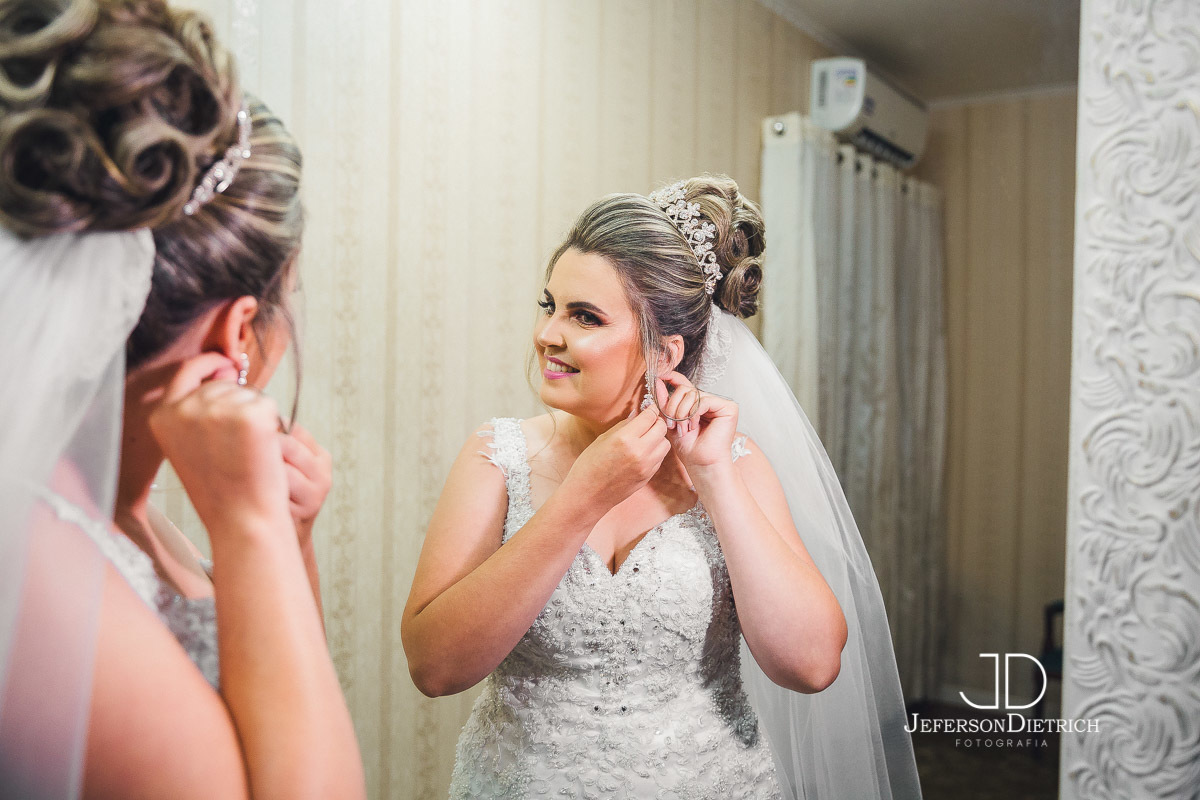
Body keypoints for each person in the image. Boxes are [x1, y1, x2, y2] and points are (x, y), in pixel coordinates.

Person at [403, 174, 922, 798]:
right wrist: (582, 498)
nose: (547, 334)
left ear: (665, 353)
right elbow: (434, 668)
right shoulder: (497, 457)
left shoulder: (732, 463)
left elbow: (812, 666)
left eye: (584, 317)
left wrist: (715, 478)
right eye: (549, 306)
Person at [0, 1, 364, 797]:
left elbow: (281, 719)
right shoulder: (38, 567)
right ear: (239, 330)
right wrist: (250, 524)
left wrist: (286, 539)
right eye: (290, 296)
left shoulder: (116, 511)